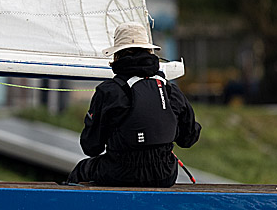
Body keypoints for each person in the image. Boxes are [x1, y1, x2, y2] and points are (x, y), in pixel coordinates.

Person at [65, 21, 201, 187]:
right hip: (165, 174)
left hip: (121, 172)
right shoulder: (170, 89)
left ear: (117, 56)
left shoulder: (108, 91)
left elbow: (91, 147)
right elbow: (189, 139)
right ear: (150, 52)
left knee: (82, 170)